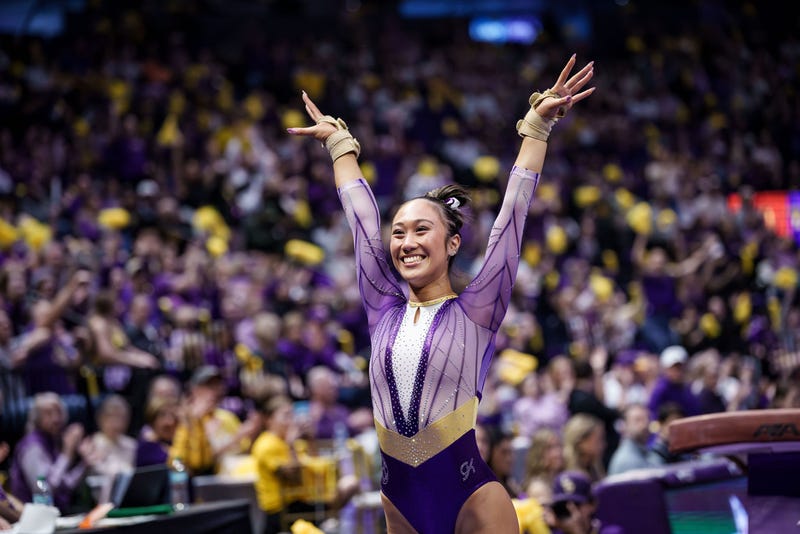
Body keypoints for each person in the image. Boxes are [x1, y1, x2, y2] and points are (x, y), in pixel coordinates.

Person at [288, 53, 595, 533]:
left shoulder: (477, 310)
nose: (406, 243)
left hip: (471, 496)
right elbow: (361, 224)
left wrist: (535, 130)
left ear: (452, 243)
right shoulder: (381, 310)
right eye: (400, 233)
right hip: (399, 499)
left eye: (421, 231)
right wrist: (339, 145)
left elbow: (511, 221)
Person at [9, 392, 100, 513]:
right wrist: (67, 454)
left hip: (58, 514)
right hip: (35, 519)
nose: (56, 419)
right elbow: (44, 490)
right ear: (36, 418)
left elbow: (66, 486)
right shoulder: (32, 446)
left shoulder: (51, 442)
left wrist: (84, 464)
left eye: (59, 412)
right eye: (48, 413)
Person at [606, 403, 658, 476]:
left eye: (647, 418)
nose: (645, 424)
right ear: (624, 426)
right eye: (638, 420)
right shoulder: (628, 460)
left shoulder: (641, 451)